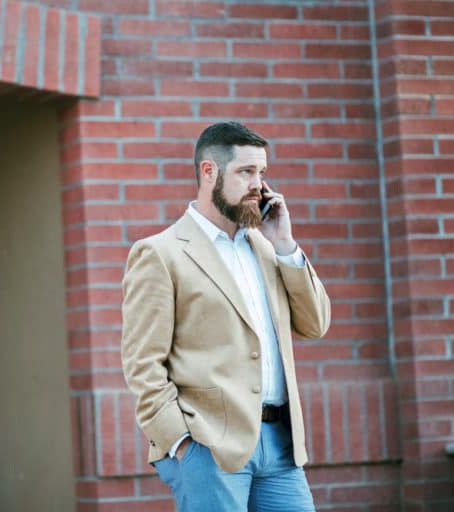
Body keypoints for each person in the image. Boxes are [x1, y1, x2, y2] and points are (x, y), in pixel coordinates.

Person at [120, 121, 331, 511]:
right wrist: (182, 443)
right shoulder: (160, 253)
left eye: (262, 173)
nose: (258, 184)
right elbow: (142, 363)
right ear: (209, 172)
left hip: (281, 447)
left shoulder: (268, 248)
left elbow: (315, 324)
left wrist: (284, 243)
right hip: (208, 447)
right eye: (246, 172)